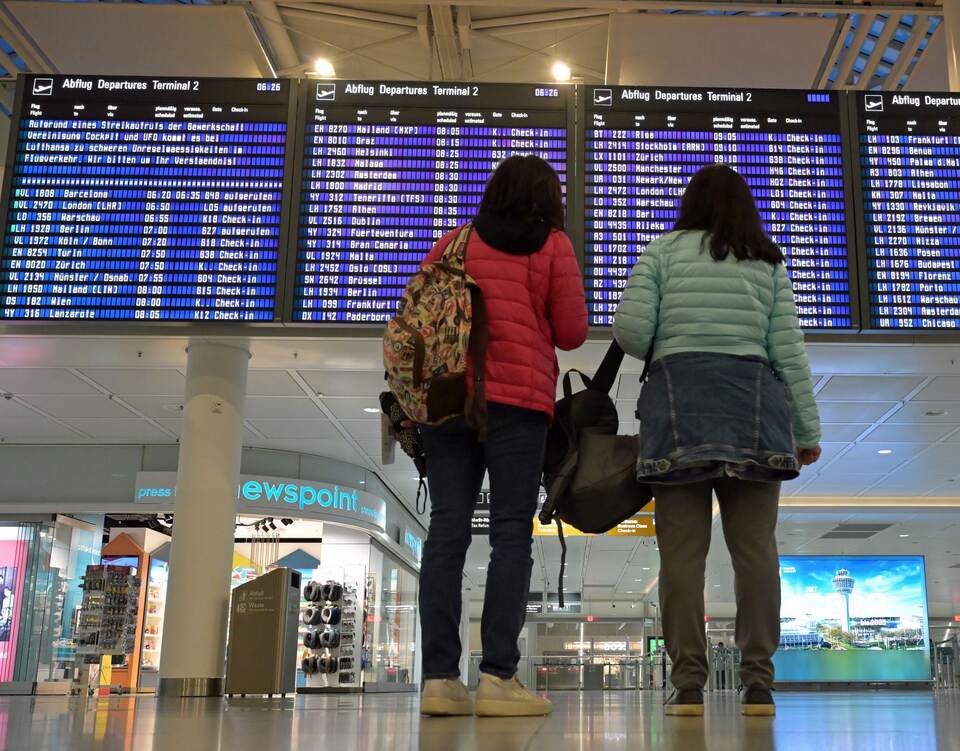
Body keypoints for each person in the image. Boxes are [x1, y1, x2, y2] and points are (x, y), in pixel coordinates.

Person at [613, 164, 822, 718]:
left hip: (678, 406)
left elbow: (631, 334)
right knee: (755, 553)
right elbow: (789, 354)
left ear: (690, 203)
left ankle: (687, 685)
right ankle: (758, 684)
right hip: (754, 407)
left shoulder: (661, 252)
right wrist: (807, 430)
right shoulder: (767, 262)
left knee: (682, 557)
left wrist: (674, 334)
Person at [418, 155, 588, 718]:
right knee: (511, 533)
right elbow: (571, 330)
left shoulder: (456, 241)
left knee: (447, 530)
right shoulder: (553, 247)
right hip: (516, 405)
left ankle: (439, 680)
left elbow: (419, 317)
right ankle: (497, 677)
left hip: (447, 404)